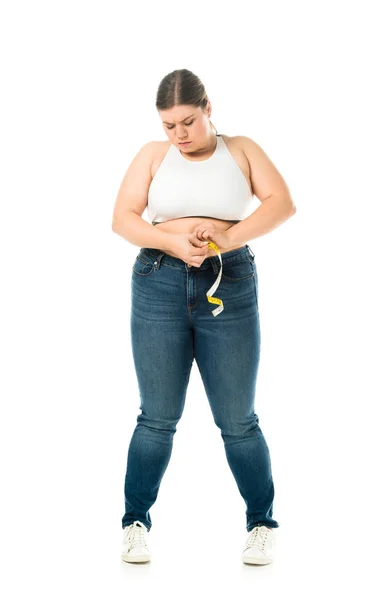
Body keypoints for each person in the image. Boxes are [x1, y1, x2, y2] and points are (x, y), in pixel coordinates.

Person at [112, 69, 296, 566]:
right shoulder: (153, 155)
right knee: (156, 418)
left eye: (188, 122)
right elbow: (123, 217)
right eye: (170, 125)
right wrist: (173, 241)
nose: (179, 135)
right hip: (158, 280)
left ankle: (261, 523)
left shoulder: (241, 150)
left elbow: (282, 203)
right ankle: (134, 523)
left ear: (208, 107)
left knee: (238, 420)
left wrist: (227, 240)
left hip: (229, 281)